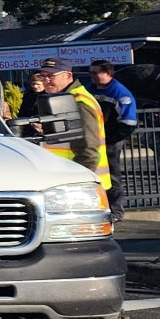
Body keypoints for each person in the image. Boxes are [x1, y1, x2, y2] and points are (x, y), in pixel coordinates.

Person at [35, 59, 112, 196]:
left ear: (68, 76)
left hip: (81, 185)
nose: (46, 80)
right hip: (67, 181)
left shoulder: (78, 102)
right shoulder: (62, 99)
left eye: (51, 76)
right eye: (43, 76)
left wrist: (79, 183)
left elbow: (88, 151)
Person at [88, 59, 139, 222]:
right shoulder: (89, 90)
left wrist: (110, 139)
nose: (92, 76)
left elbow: (129, 122)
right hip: (93, 139)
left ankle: (116, 211)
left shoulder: (120, 92)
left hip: (110, 141)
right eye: (91, 73)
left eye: (96, 73)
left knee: (111, 175)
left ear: (108, 73)